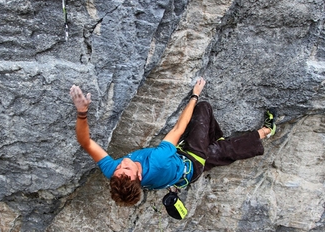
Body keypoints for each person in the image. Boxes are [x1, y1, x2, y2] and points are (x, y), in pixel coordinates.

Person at [69, 78, 276, 206]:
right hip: (190, 162)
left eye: (118, 171)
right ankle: (265, 131)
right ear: (138, 176)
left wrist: (82, 112)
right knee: (203, 109)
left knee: (219, 151)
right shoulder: (157, 160)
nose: (121, 164)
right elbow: (179, 127)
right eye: (126, 170)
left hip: (176, 175)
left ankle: (217, 145)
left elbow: (86, 142)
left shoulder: (114, 171)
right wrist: (194, 95)